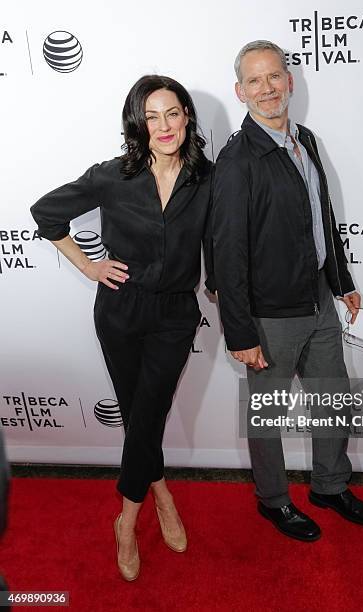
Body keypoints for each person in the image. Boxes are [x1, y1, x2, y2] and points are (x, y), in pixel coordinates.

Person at [31, 75, 214, 579]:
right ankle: (161, 492)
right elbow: (46, 214)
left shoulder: (208, 179)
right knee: (139, 418)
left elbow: (219, 246)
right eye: (151, 116)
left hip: (175, 315)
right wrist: (89, 266)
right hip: (119, 311)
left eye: (172, 113)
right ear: (138, 123)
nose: (163, 125)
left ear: (187, 117)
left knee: (148, 412)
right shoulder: (113, 176)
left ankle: (127, 521)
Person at [212, 40, 363, 542]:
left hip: (320, 303)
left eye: (275, 77)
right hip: (269, 318)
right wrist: (240, 331)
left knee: (334, 400)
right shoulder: (237, 160)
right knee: (268, 415)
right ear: (241, 92)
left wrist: (342, 282)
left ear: (290, 81)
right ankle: (273, 500)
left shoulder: (304, 138)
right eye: (255, 81)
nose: (268, 89)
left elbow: (321, 219)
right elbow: (227, 255)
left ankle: (330, 486)